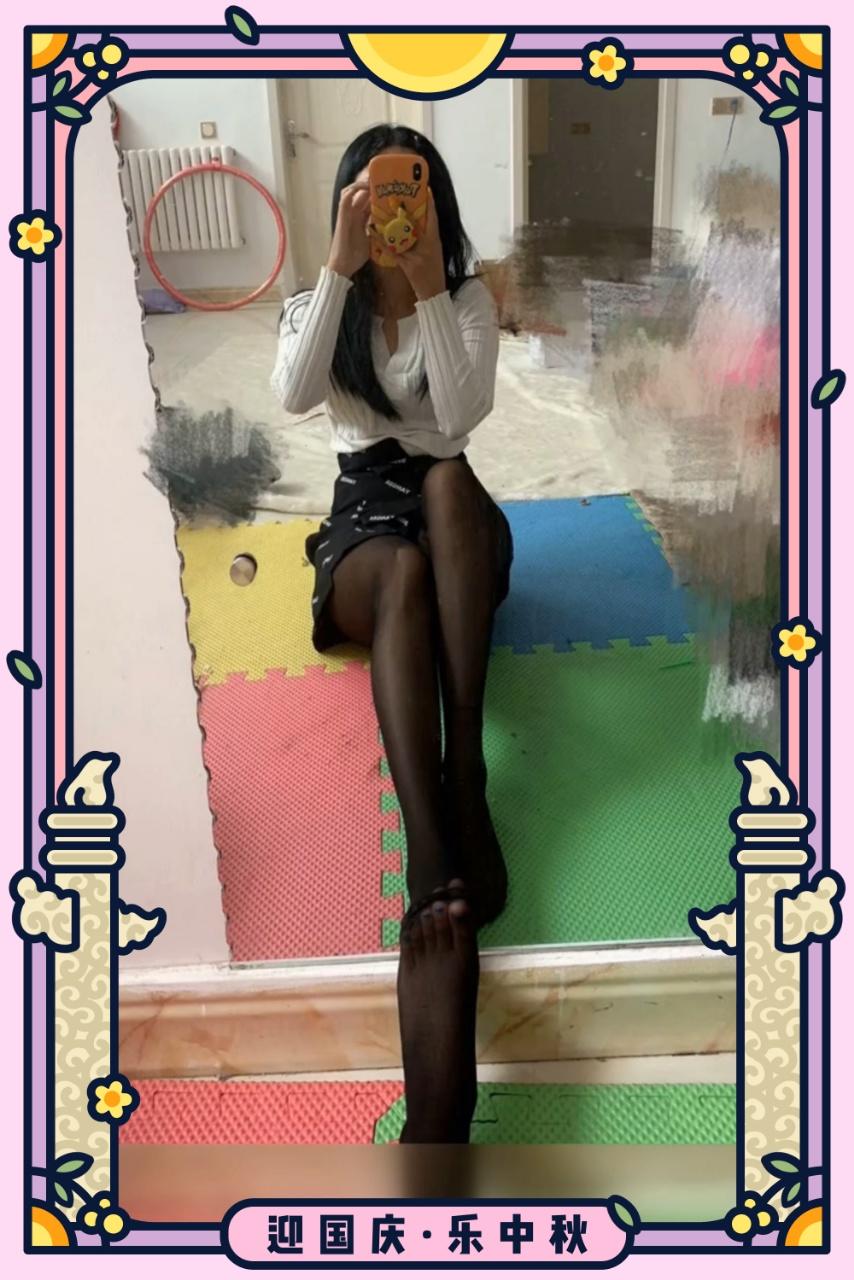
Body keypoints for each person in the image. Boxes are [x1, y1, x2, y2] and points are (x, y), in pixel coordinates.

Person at [271, 125, 513, 1143]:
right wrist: (337, 269)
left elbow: (456, 424)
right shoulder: (315, 305)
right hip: (366, 521)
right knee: (403, 569)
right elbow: (292, 396)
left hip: (453, 510)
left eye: (410, 196)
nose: (393, 214)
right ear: (348, 204)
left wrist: (426, 290)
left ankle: (467, 767)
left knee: (449, 482)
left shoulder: (465, 301)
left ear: (435, 206)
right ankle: (427, 839)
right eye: (373, 198)